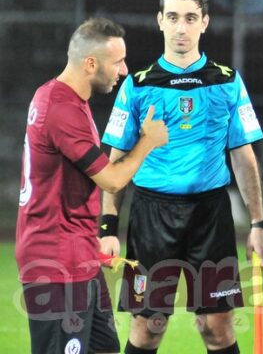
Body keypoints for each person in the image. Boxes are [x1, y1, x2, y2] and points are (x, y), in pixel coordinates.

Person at [99, 0, 263, 354]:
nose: (181, 27)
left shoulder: (227, 82)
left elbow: (243, 157)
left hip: (210, 215)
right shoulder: (137, 86)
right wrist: (108, 226)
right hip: (152, 215)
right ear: (160, 20)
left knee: (217, 328)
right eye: (173, 17)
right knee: (148, 328)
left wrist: (258, 224)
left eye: (190, 18)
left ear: (204, 22)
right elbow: (115, 163)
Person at [15, 18, 169, 354]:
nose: (124, 71)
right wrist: (148, 141)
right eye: (117, 62)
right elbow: (111, 180)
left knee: (105, 347)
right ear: (90, 63)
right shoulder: (62, 109)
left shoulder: (56, 96)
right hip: (56, 263)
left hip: (77, 253)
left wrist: (90, 238)